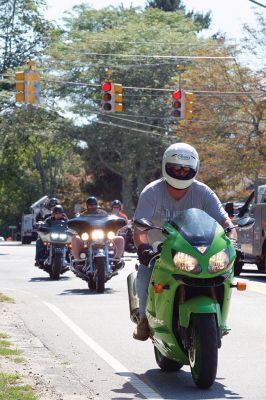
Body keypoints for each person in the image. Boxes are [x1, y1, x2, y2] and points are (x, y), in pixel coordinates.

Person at [133, 142, 237, 341]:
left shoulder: (203, 192)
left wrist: (232, 241)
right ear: (166, 166)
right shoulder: (152, 192)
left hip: (198, 250)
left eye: (186, 169)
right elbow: (139, 229)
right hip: (160, 250)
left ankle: (220, 321)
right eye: (176, 168)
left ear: (195, 169)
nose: (181, 173)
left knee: (225, 274)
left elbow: (225, 222)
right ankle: (144, 319)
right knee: (145, 274)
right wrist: (144, 248)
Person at [71, 196, 125, 269]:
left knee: (120, 239)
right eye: (90, 205)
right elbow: (77, 222)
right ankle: (78, 261)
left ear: (97, 205)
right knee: (75, 238)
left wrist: (116, 223)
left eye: (94, 204)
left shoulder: (103, 213)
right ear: (87, 205)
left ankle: (116, 260)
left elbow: (110, 220)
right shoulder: (83, 215)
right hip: (87, 238)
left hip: (103, 237)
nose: (92, 206)